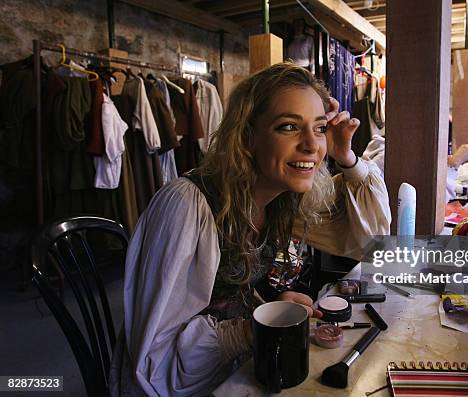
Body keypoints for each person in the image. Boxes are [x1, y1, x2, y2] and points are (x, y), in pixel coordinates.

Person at [109, 63, 391, 396]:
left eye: (318, 128)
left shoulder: (279, 196)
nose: (312, 146)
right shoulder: (187, 206)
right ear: (247, 136)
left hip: (235, 367)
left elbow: (370, 241)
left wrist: (345, 156)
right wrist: (249, 331)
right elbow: (153, 362)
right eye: (288, 126)